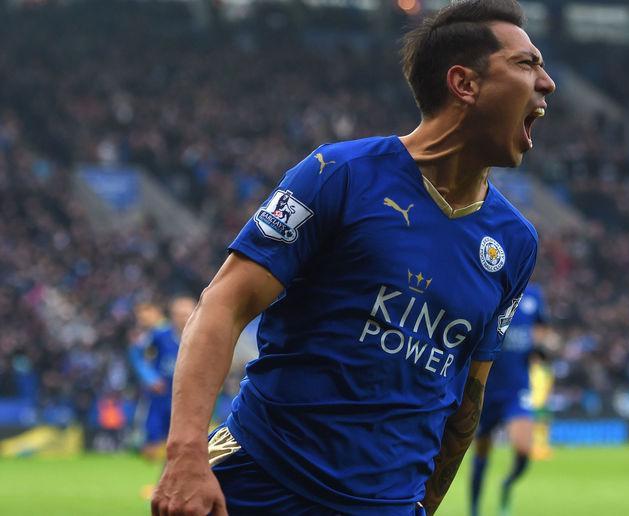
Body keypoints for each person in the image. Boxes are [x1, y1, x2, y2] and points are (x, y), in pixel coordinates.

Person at [151, 1, 556, 515]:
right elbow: (222, 304)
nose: (547, 83)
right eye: (526, 63)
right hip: (261, 484)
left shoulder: (515, 243)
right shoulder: (339, 173)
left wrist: (423, 508)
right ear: (464, 84)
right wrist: (186, 453)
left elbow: (466, 399)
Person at [470, 283, 548, 516]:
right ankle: (474, 509)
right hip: (487, 388)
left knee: (524, 448)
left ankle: (507, 484)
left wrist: (539, 346)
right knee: (481, 451)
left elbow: (542, 326)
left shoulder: (534, 294)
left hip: (517, 389)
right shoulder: (491, 286)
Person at [129, 297, 196, 459]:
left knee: (184, 442)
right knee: (152, 443)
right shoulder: (159, 335)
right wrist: (151, 378)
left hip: (188, 396)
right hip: (162, 394)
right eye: (179, 314)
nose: (183, 318)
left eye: (186, 314)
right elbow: (136, 354)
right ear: (172, 315)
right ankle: (156, 479)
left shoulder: (200, 336)